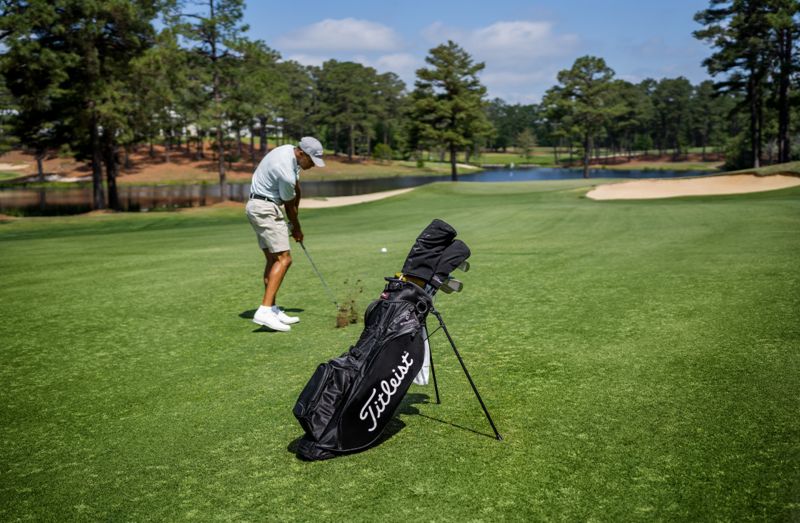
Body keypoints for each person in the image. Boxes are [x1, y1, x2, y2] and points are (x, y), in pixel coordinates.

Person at [246, 136, 325, 331]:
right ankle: (264, 311)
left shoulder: (287, 151)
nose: (313, 166)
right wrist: (296, 227)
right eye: (312, 161)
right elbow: (289, 204)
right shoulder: (286, 171)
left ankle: (271, 309)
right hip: (266, 209)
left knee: (274, 260)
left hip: (256, 206)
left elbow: (296, 190)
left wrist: (293, 220)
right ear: (301, 154)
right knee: (284, 260)